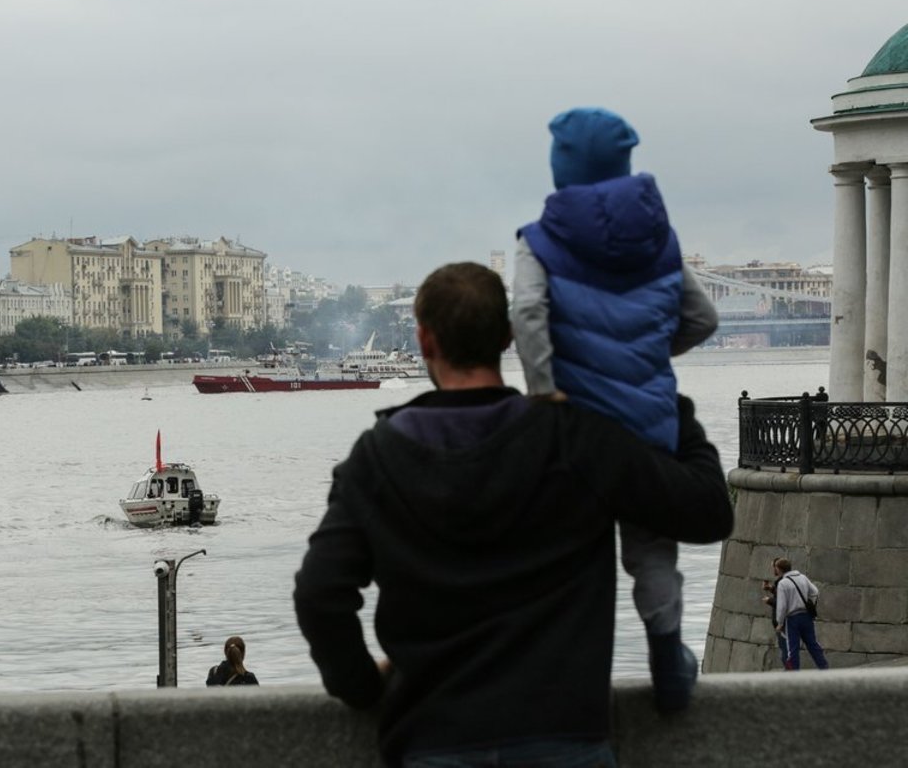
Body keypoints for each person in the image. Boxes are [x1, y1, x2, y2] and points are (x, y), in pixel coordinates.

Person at [295, 262, 732, 767]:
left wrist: (363, 689)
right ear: (506, 338)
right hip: (564, 739)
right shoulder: (573, 437)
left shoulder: (377, 457)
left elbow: (320, 594)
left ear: (424, 340)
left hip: (432, 739)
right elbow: (706, 512)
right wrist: (658, 392)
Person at [511, 107, 719, 710]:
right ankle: (669, 661)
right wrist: (652, 355)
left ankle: (570, 676)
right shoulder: (659, 239)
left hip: (576, 426)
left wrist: (544, 387)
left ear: (562, 167)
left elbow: (526, 314)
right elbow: (704, 319)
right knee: (652, 547)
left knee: (574, 547)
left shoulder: (540, 240)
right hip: (650, 422)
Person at [773, 558, 828, 671]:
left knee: (792, 649)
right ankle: (824, 668)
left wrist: (780, 622)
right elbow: (815, 591)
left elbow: (782, 606)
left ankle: (794, 674)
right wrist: (810, 603)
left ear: (779, 569)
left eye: (776, 568)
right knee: (813, 644)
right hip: (806, 616)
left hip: (792, 619)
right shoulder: (802, 577)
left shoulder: (783, 583)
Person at [761, 560, 789, 665]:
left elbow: (783, 602)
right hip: (783, 623)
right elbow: (780, 596)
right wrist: (771, 589)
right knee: (785, 650)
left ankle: (790, 674)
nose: (773, 570)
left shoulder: (782, 582)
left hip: (783, 624)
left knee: (786, 652)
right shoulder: (783, 581)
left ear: (778, 568)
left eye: (773, 567)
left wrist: (769, 600)